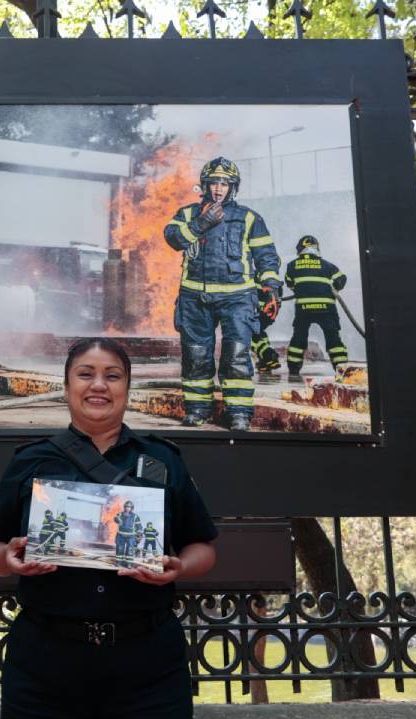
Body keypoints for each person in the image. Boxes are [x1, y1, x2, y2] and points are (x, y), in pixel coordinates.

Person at [0, 337, 218, 719]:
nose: (99, 385)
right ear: (66, 387)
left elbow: (203, 548)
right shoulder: (30, 461)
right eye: (85, 374)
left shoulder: (162, 459)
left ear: (127, 388)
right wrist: (9, 560)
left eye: (112, 375)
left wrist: (177, 567)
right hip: (45, 669)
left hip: (148, 670)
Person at [163, 157, 281, 431]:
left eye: (224, 184)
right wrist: (200, 224)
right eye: (214, 183)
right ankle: (196, 410)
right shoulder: (188, 214)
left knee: (237, 356)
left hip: (237, 299)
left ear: (233, 187)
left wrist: (271, 287)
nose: (218, 189)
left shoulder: (249, 218)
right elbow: (172, 238)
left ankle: (239, 413)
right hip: (194, 299)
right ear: (204, 185)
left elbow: (267, 257)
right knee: (196, 357)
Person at [285, 234, 349, 379]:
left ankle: (294, 369)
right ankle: (342, 369)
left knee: (299, 337)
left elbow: (290, 283)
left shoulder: (292, 266)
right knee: (333, 338)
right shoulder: (328, 266)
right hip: (326, 309)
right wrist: (334, 287)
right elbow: (342, 279)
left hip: (304, 309)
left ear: (300, 249)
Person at [113, 499, 142, 565]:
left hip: (131, 536)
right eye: (126, 507)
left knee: (130, 550)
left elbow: (139, 526)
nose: (127, 508)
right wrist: (117, 519)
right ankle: (118, 562)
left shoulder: (135, 516)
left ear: (132, 508)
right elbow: (115, 518)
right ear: (124, 507)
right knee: (120, 549)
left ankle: (129, 563)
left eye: (129, 507)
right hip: (120, 535)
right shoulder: (120, 514)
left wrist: (139, 535)